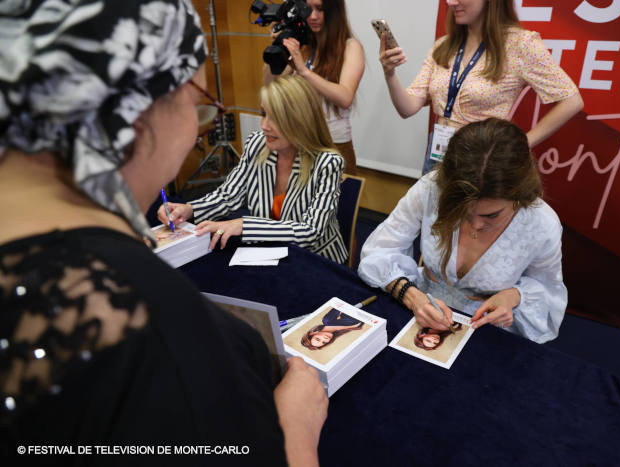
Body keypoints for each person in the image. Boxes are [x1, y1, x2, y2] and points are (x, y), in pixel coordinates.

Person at [0, 2, 326, 466]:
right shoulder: (163, 333)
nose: (197, 128)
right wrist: (294, 433)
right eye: (198, 105)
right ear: (136, 113)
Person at [358, 118, 567, 344]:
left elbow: (548, 291)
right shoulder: (431, 189)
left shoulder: (541, 223)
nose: (476, 225)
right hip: (420, 310)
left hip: (487, 329)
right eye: (463, 213)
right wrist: (410, 295)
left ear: (519, 197)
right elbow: (379, 250)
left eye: (492, 215)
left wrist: (513, 296)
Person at [159, 75, 348, 264]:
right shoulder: (257, 144)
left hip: (316, 260)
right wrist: (190, 209)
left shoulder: (328, 163)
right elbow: (228, 195)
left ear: (300, 121)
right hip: (269, 253)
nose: (264, 126)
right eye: (264, 114)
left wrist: (243, 225)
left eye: (276, 118)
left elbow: (310, 232)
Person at [379, 0, 583, 173]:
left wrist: (520, 144)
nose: (451, 3)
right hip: (437, 154)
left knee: (472, 221)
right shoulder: (444, 45)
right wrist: (390, 73)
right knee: (430, 219)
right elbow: (407, 108)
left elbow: (571, 101)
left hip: (482, 159)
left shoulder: (520, 44)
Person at [263, 0, 365, 175]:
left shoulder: (350, 47)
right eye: (309, 9)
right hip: (298, 141)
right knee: (297, 201)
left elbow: (345, 97)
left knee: (334, 201)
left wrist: (304, 71)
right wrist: (276, 48)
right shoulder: (302, 45)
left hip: (334, 144)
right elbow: (270, 83)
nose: (313, 16)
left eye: (321, 10)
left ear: (334, 12)